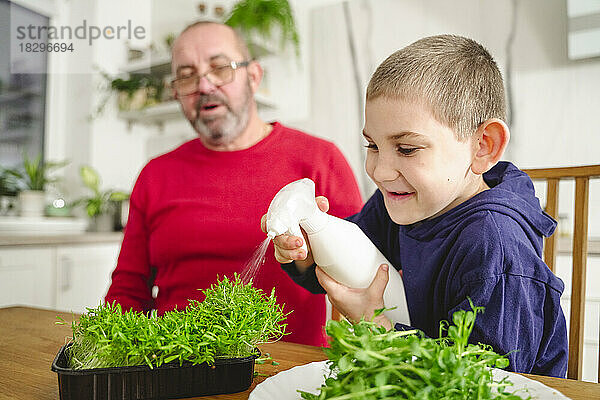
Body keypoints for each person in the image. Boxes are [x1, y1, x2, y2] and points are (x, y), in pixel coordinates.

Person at [265, 34, 568, 377]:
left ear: (483, 146)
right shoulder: (400, 202)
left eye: (407, 149)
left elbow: (487, 379)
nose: (379, 171)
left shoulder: (496, 244)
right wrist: (307, 251)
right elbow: (347, 268)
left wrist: (375, 328)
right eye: (372, 145)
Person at [105, 21, 363, 347]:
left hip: (287, 373)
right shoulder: (156, 175)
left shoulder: (318, 159)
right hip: (173, 363)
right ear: (176, 92)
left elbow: (361, 272)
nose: (204, 85)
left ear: (254, 76)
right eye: (187, 75)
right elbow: (129, 286)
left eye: (220, 68)